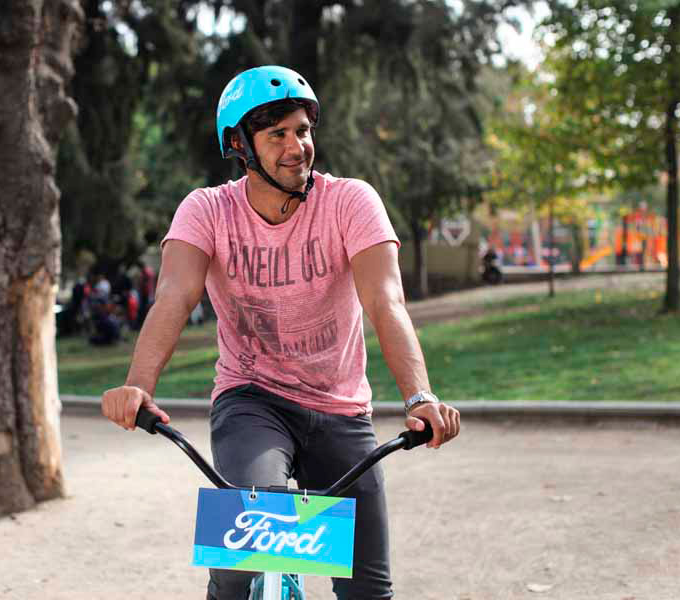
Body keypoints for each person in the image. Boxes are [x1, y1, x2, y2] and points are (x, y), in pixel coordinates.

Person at [101, 65, 460, 600]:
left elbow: (385, 302)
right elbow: (174, 296)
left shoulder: (350, 202)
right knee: (247, 549)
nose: (297, 147)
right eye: (277, 135)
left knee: (368, 589)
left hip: (341, 408)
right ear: (240, 146)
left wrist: (420, 396)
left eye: (303, 130)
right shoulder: (207, 210)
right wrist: (138, 385)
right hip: (252, 401)